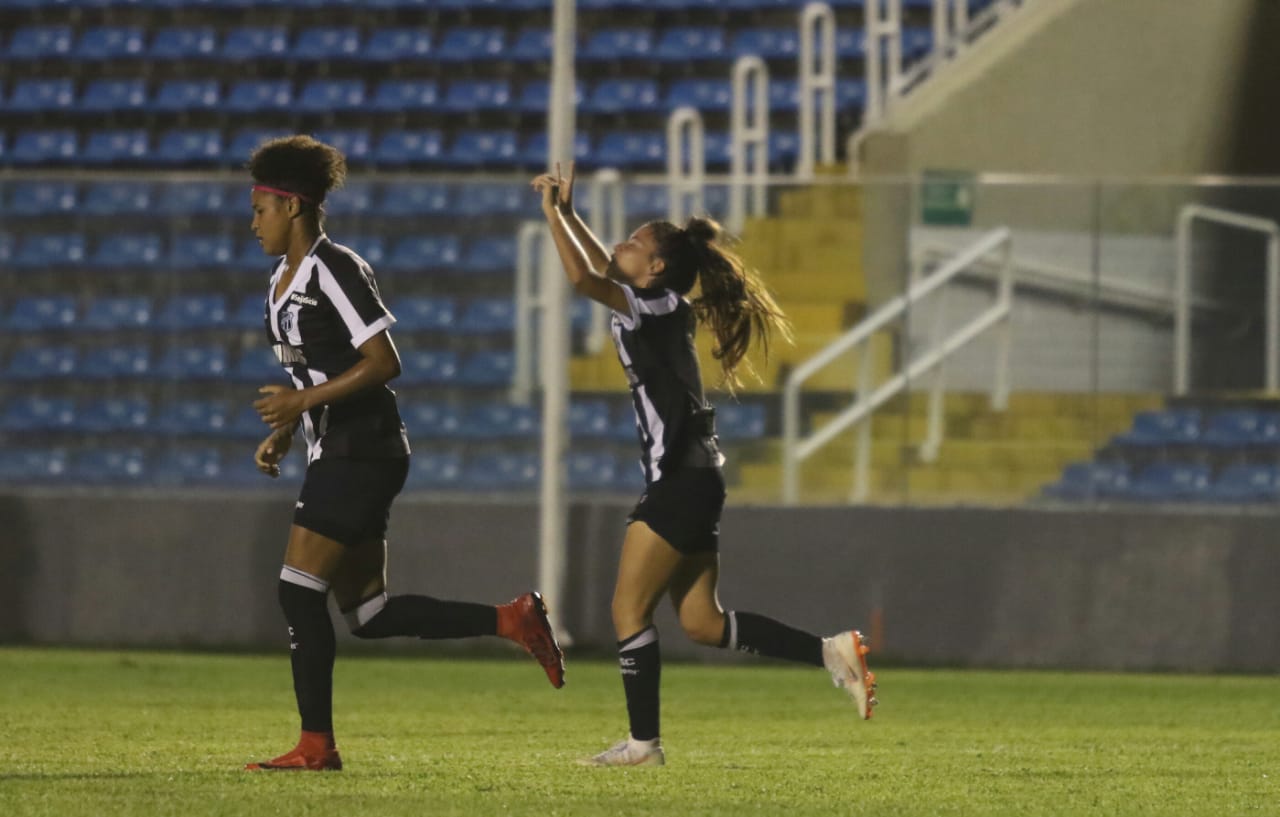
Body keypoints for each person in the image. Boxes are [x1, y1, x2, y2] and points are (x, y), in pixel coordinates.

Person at [531, 163, 877, 768]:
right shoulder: (659, 300)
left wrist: (553, 217)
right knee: (702, 623)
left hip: (680, 480)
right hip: (696, 477)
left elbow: (585, 278)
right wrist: (569, 213)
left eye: (633, 242)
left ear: (657, 266)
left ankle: (644, 746)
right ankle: (831, 651)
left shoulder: (651, 305)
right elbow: (602, 268)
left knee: (627, 611)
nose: (620, 246)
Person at [244, 135, 565, 772]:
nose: (253, 223)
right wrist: (288, 427)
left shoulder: (334, 269)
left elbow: (384, 361)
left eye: (260, 209)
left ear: (293, 206)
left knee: (297, 592)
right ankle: (513, 619)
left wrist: (302, 404)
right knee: (369, 613)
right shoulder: (279, 281)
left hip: (363, 447)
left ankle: (316, 747)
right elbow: (315, 372)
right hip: (339, 448)